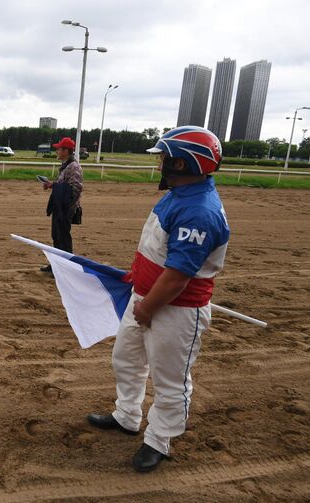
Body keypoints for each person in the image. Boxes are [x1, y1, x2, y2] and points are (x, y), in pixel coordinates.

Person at [87, 126, 230, 473]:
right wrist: (139, 278)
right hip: (146, 298)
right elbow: (160, 250)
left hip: (174, 311)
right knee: (126, 359)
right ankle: (127, 416)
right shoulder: (180, 194)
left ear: (182, 164)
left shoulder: (200, 211)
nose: (160, 163)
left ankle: (159, 441)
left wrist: (147, 307)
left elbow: (179, 276)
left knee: (170, 379)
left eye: (165, 157)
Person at [40, 137, 83, 272]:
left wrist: (55, 186)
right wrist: (53, 185)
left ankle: (65, 269)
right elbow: (65, 186)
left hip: (66, 209)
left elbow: (76, 188)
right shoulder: (66, 165)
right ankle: (56, 265)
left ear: (66, 151)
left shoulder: (73, 167)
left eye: (59, 149)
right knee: (56, 237)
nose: (56, 151)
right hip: (60, 206)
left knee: (63, 238)